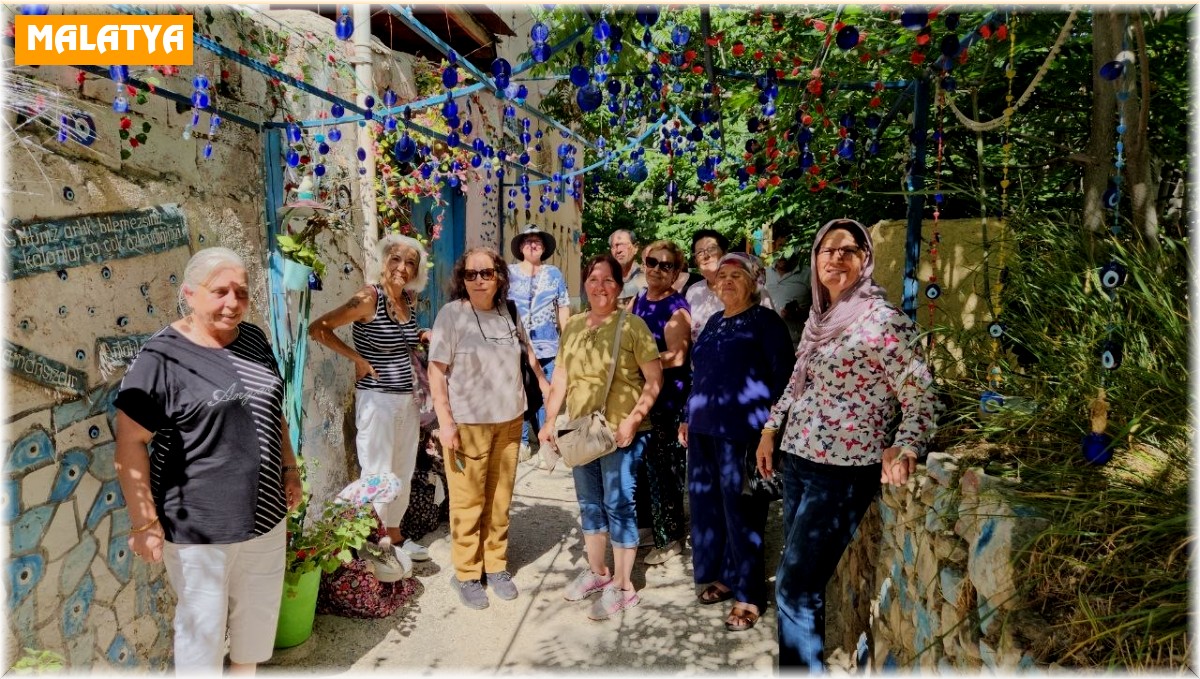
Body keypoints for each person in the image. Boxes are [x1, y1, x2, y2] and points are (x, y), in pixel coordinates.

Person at [756, 218, 938, 669]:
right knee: (800, 585)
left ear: (865, 259)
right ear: (815, 260)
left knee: (795, 587)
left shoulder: (882, 319)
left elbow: (921, 394)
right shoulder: (822, 319)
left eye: (848, 250)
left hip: (843, 471)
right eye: (826, 250)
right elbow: (801, 387)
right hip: (798, 460)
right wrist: (770, 429)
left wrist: (908, 445)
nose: (835, 258)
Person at [113, 247, 303, 673]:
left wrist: (289, 468)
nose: (232, 303)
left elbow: (275, 412)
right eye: (220, 292)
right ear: (190, 293)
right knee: (201, 637)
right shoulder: (161, 358)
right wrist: (144, 523)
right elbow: (129, 443)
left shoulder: (253, 338)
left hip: (266, 515)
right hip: (200, 528)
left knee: (254, 631)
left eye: (241, 292)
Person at [539, 254, 663, 621]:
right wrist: (549, 422)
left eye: (608, 280)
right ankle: (598, 573)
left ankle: (625, 588)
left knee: (619, 503)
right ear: (585, 285)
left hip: (621, 434)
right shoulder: (574, 326)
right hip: (581, 433)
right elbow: (560, 378)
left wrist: (632, 420)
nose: (600, 286)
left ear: (619, 285)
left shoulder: (632, 326)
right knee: (590, 504)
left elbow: (655, 380)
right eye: (593, 279)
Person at [428, 247, 549, 610]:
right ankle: (466, 572)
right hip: (468, 424)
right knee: (467, 502)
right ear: (462, 280)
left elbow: (527, 355)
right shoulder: (452, 315)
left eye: (486, 273)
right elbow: (436, 372)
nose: (479, 280)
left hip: (510, 422)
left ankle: (495, 565)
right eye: (470, 274)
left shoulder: (510, 312)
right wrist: (445, 424)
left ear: (499, 275)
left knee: (499, 499)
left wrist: (546, 388)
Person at [681, 252, 795, 634]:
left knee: (742, 512)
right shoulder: (714, 321)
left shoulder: (765, 322)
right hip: (702, 429)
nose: (727, 281)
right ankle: (726, 575)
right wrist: (687, 414)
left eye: (737, 275)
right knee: (709, 507)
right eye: (722, 276)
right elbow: (703, 374)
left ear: (754, 280)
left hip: (743, 433)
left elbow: (785, 379)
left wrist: (770, 432)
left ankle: (749, 594)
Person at [309, 233, 432, 564]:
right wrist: (357, 359)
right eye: (396, 259)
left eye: (410, 262)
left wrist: (422, 336)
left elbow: (405, 344)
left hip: (408, 399)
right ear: (383, 260)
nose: (402, 267)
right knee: (378, 474)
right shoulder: (368, 297)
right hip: (377, 401)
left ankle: (394, 536)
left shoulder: (406, 300)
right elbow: (319, 327)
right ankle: (373, 548)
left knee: (402, 471)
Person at [629, 240, 692, 566]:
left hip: (667, 401)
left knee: (666, 471)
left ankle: (671, 539)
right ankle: (650, 529)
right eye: (652, 262)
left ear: (677, 272)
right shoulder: (641, 298)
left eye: (665, 266)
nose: (656, 269)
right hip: (644, 398)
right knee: (644, 466)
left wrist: (641, 362)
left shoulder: (676, 308)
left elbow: (679, 355)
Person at [506, 226, 571, 463]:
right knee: (519, 392)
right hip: (517, 344)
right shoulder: (509, 273)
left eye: (537, 242)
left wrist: (568, 339)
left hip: (548, 345)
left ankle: (546, 441)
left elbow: (562, 306)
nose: (532, 245)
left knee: (549, 394)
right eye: (528, 241)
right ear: (521, 247)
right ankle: (522, 442)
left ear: (543, 248)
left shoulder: (553, 273)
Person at [685, 229, 775, 341]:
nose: (706, 255)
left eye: (711, 249)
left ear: (725, 253)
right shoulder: (694, 291)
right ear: (695, 261)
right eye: (699, 252)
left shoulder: (750, 288)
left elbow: (772, 332)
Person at [764, 233, 812, 348]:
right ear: (775, 248)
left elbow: (821, 308)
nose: (783, 253)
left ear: (797, 249)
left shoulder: (808, 274)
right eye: (780, 246)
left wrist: (800, 313)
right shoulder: (765, 273)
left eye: (788, 247)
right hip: (766, 342)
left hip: (795, 344)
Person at [609, 229, 646, 303]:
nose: (618, 250)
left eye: (623, 245)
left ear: (635, 248)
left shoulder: (647, 280)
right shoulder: (604, 280)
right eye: (614, 246)